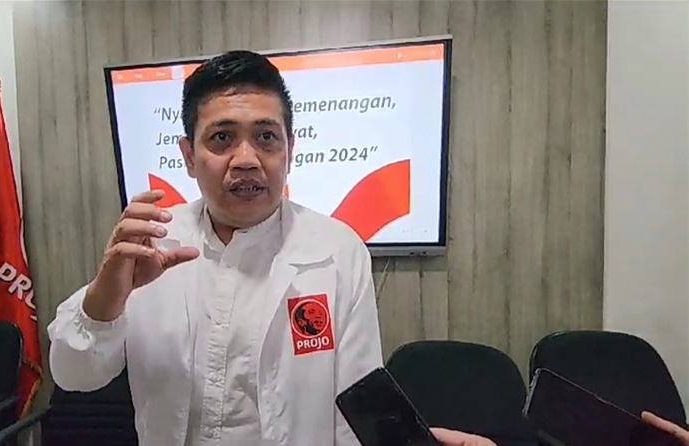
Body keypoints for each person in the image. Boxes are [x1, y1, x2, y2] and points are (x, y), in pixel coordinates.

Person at [47, 50, 497, 446]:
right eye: (221, 138)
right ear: (188, 156)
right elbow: (75, 374)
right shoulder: (152, 241)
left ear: (289, 149)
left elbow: (355, 410)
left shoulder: (336, 250)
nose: (246, 159)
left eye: (266, 137)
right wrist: (106, 298)